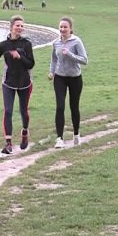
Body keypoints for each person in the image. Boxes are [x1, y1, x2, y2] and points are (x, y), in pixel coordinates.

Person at [0, 15, 35, 155]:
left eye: (22, 26)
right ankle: (8, 144)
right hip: (8, 82)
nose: (20, 28)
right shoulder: (3, 45)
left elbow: (31, 64)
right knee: (8, 111)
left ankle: (25, 132)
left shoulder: (26, 44)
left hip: (25, 83)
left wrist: (20, 57)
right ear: (11, 27)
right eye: (17, 25)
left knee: (23, 111)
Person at [48, 16, 88, 148]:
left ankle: (76, 134)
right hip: (59, 77)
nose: (62, 29)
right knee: (60, 107)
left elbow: (84, 60)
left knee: (74, 107)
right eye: (61, 27)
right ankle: (59, 138)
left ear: (70, 29)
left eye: (65, 27)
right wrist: (51, 71)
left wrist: (70, 54)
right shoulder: (56, 43)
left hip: (75, 78)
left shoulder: (76, 42)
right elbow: (54, 59)